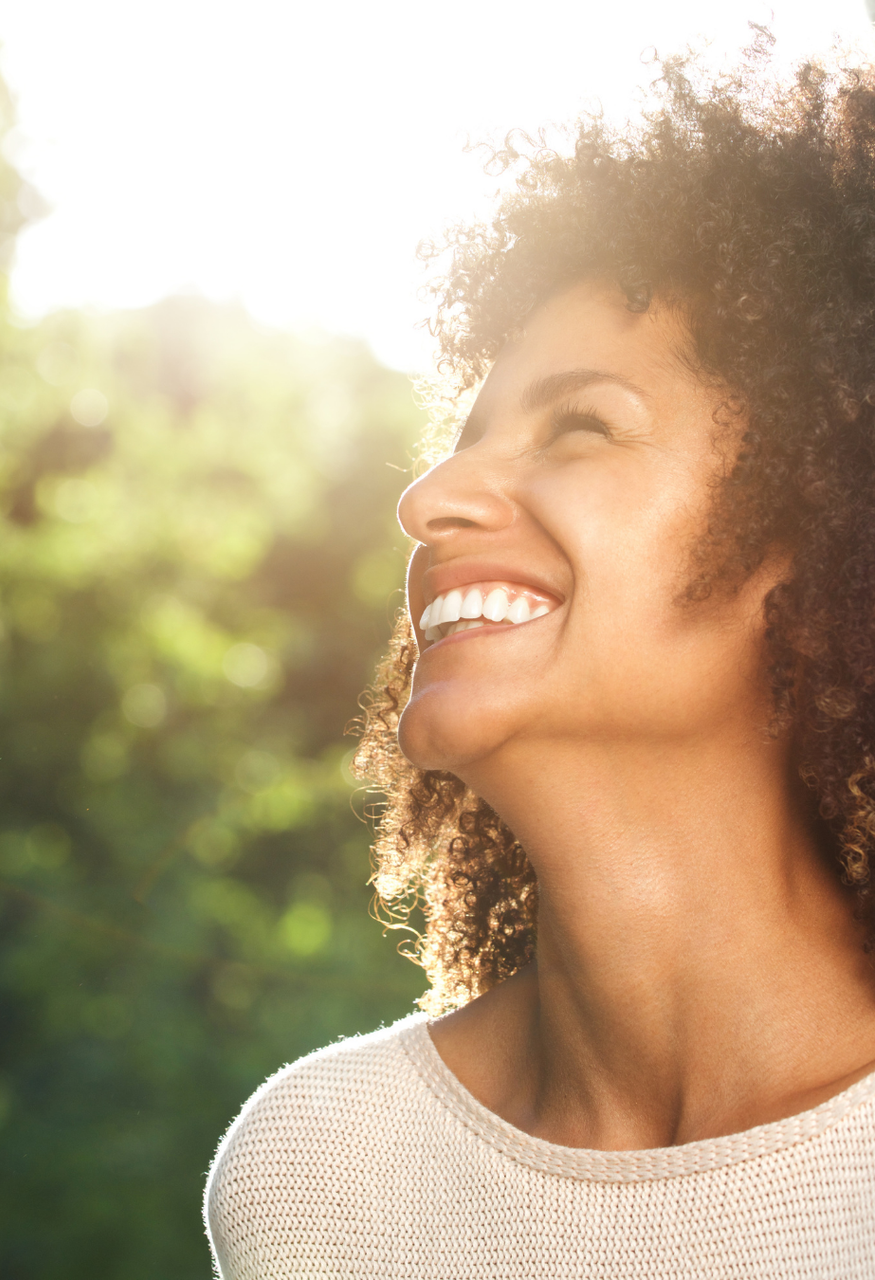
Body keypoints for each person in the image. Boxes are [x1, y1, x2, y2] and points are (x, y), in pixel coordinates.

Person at [205, 38, 875, 1276]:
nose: (432, 494)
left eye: (580, 425)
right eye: (459, 441)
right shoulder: (321, 1173)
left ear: (823, 531)